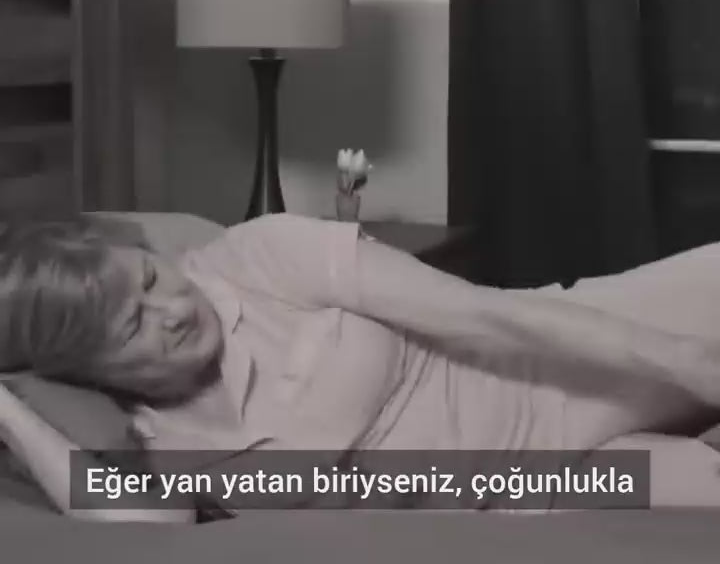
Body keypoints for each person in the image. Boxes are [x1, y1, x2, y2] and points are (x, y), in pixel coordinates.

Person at [0, 212, 719, 523]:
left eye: (153, 277)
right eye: (135, 324)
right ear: (88, 368)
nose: (173, 309)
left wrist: (685, 360)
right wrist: (7, 410)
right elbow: (146, 528)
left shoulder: (261, 256)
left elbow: (490, 314)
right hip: (537, 486)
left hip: (565, 358)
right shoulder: (149, 442)